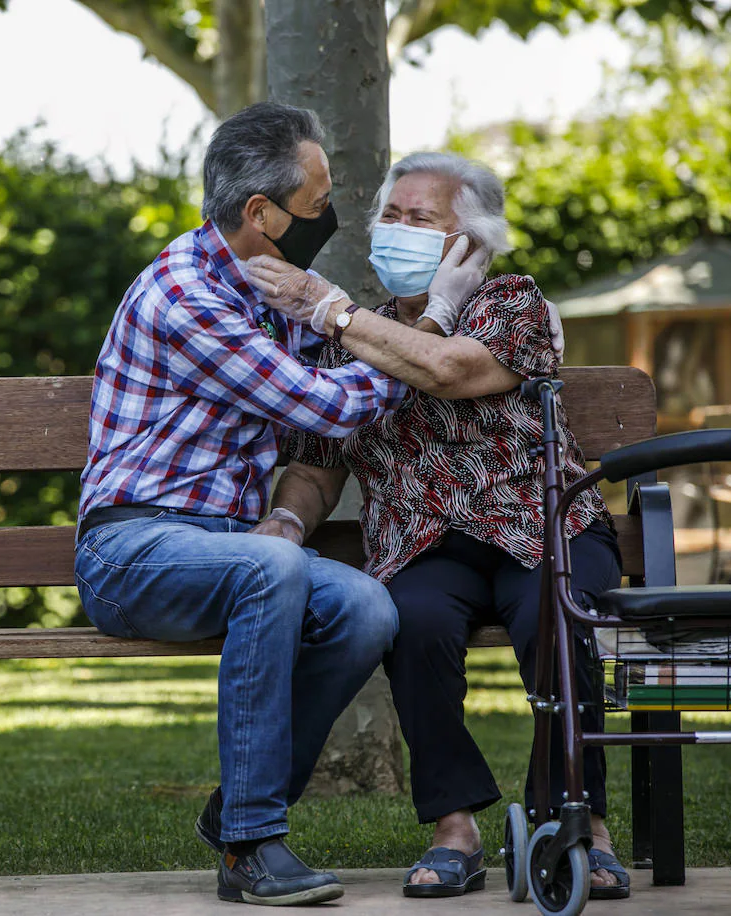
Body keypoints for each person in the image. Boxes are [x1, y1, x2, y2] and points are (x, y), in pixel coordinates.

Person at [75, 102, 483, 907]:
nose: (330, 218)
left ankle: (236, 808)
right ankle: (252, 846)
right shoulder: (188, 295)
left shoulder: (277, 287)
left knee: (368, 608)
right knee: (272, 565)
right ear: (259, 212)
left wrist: (359, 315)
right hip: (132, 553)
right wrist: (432, 318)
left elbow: (349, 360)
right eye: (316, 203)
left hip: (228, 549)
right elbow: (330, 407)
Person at [246, 151, 629, 900]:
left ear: (471, 241)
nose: (399, 229)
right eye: (392, 215)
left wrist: (338, 311)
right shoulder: (347, 334)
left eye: (422, 219)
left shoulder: (513, 303)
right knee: (410, 620)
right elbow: (320, 462)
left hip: (541, 530)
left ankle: (581, 820)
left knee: (559, 618)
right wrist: (288, 520)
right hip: (421, 542)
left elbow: (450, 369)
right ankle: (454, 827)